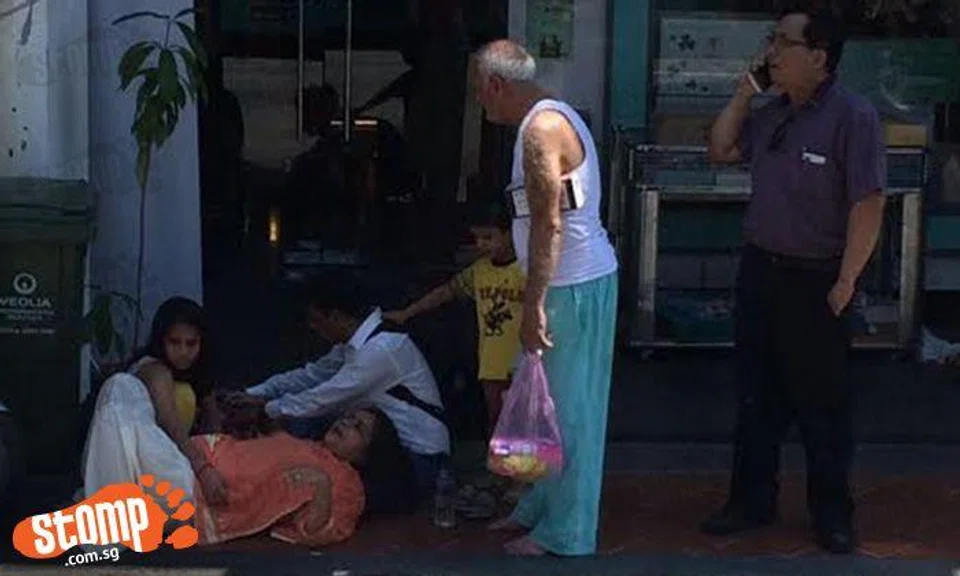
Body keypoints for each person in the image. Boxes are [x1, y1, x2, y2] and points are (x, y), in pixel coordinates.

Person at [700, 7, 886, 555]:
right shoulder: (774, 113)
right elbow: (719, 148)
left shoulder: (854, 117)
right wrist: (743, 93)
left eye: (784, 43)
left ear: (819, 58)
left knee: (822, 404)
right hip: (762, 270)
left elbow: (868, 202)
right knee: (756, 396)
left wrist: (847, 278)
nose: (772, 52)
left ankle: (832, 513)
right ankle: (750, 500)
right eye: (772, 41)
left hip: (819, 278)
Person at [471, 40, 619, 556]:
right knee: (549, 405)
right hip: (569, 281)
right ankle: (540, 505)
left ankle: (569, 530)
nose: (480, 104)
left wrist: (533, 304)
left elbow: (548, 223)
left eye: (479, 92)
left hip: (570, 286)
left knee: (571, 413)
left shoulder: (540, 131)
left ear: (495, 85)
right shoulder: (553, 117)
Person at [237, 281, 451, 498]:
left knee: (307, 440)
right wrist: (255, 392)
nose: (313, 328)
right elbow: (310, 376)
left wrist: (266, 408)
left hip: (420, 457)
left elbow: (321, 398)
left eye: (317, 321)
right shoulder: (354, 344)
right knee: (302, 424)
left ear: (336, 317)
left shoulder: (382, 349)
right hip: (383, 445)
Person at [385, 200, 524, 434]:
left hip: (523, 360)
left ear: (510, 233)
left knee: (523, 420)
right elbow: (446, 292)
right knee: (497, 421)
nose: (481, 245)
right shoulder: (479, 270)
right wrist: (407, 313)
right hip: (491, 361)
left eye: (488, 238)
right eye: (477, 238)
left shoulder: (528, 270)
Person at [193, 405, 416, 547]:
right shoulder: (309, 445)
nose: (346, 422)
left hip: (204, 494)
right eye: (348, 417)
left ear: (365, 455)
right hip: (199, 455)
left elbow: (317, 532)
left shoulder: (348, 486)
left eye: (358, 428)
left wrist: (322, 487)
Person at [80, 297, 228, 506]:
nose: (183, 352)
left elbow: (213, 428)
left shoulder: (200, 376)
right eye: (174, 342)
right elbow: (171, 425)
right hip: (142, 456)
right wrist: (203, 469)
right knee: (186, 491)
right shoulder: (154, 370)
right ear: (161, 341)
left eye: (191, 343)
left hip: (173, 455)